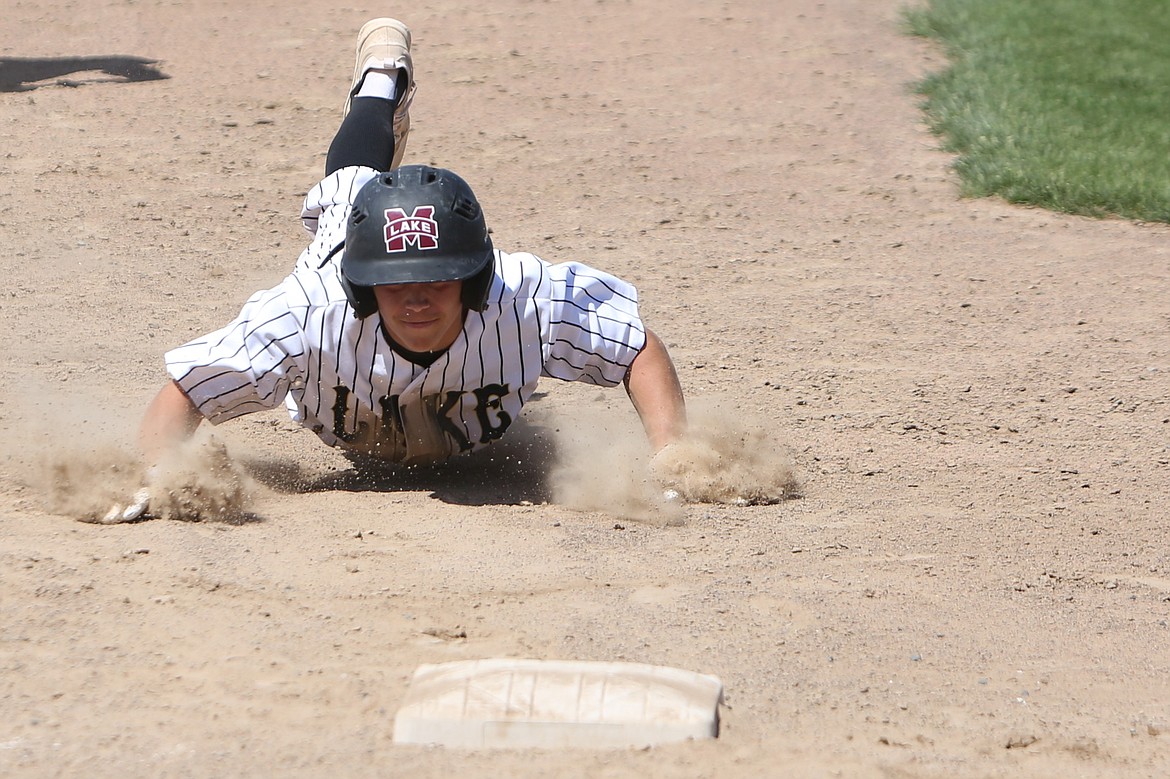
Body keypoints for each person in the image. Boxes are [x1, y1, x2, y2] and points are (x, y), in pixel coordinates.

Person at [103, 18, 686, 522]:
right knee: (355, 182)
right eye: (395, 284)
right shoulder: (304, 313)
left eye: (437, 280)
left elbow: (636, 347)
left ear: (474, 279)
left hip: (454, 364)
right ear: (363, 286)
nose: (417, 299)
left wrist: (674, 455)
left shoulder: (526, 298)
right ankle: (382, 79)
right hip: (349, 251)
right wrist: (156, 478)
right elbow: (188, 389)